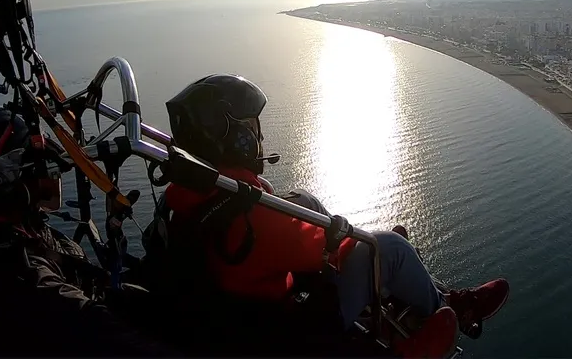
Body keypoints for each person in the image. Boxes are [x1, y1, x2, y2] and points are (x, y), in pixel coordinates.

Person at [163, 74, 510, 358]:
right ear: (234, 136)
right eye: (253, 127)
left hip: (240, 318)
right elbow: (332, 249)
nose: (261, 136)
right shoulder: (253, 216)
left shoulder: (188, 198)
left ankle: (431, 289)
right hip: (291, 334)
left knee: (303, 201)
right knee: (387, 248)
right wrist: (366, 248)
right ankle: (446, 312)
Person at [0, 0, 178, 357]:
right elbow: (105, 334)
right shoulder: (21, 281)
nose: (49, 172)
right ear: (7, 185)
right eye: (33, 166)